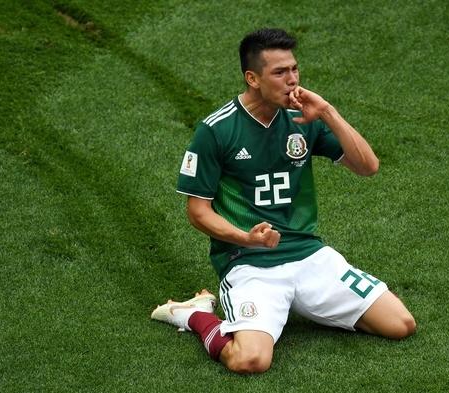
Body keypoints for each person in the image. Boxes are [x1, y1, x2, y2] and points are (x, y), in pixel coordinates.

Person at [151, 28, 415, 374]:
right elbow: (197, 212)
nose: (292, 80)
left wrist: (328, 113)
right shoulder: (216, 130)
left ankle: (295, 304)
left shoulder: (303, 116)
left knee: (401, 325)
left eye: (294, 69)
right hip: (249, 263)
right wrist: (246, 238)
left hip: (309, 255)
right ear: (253, 78)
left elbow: (368, 167)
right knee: (250, 360)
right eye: (279, 72)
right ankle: (196, 314)